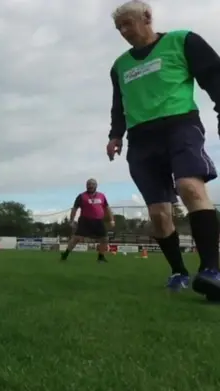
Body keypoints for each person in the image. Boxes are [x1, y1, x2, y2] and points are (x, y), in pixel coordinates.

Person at [106, 1, 220, 297]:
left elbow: (214, 76)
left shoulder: (183, 41)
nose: (123, 31)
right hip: (141, 140)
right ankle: (179, 271)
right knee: (158, 214)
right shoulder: (120, 66)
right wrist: (115, 134)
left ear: (147, 17)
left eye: (128, 24)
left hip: (180, 126)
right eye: (119, 27)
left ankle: (212, 269)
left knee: (189, 186)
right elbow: (119, 105)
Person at [61, 179, 114, 263]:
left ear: (96, 186)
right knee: (76, 238)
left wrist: (112, 220)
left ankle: (101, 257)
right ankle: (65, 255)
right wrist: (71, 220)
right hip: (85, 220)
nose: (90, 186)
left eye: (92, 184)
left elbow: (107, 208)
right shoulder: (81, 196)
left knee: (104, 239)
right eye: (88, 184)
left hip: (98, 221)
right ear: (86, 186)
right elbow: (74, 209)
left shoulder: (102, 196)